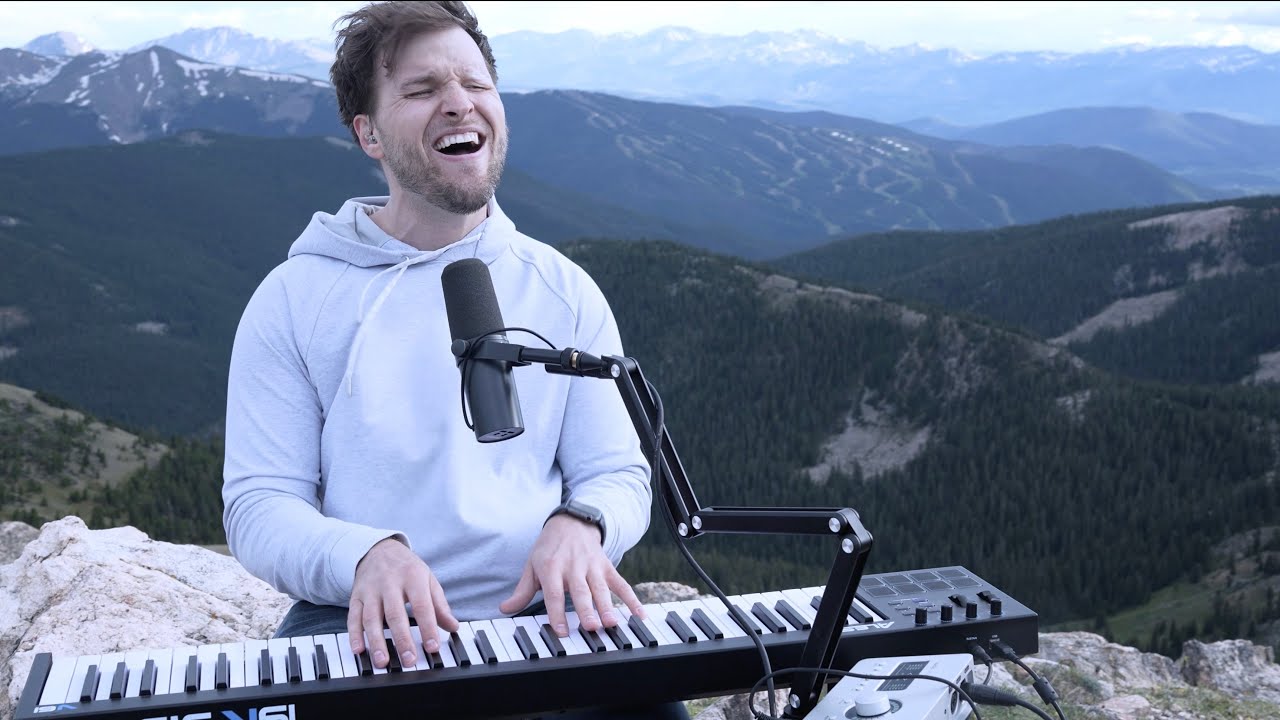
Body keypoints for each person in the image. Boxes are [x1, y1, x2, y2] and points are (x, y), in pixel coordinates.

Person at [221, 2, 689, 718]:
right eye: (421, 90)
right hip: (364, 624)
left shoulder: (563, 287)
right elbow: (259, 505)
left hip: (548, 618)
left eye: (476, 83)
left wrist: (583, 523)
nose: (458, 104)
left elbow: (617, 470)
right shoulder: (295, 297)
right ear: (368, 134)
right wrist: (365, 555)